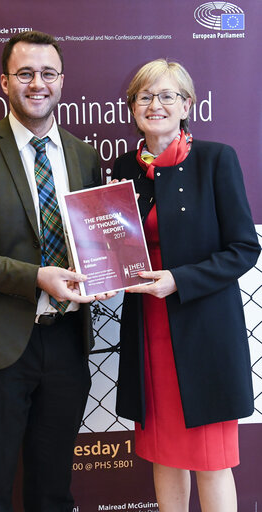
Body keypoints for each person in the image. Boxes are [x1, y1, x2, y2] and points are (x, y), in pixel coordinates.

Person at [0, 30, 112, 512]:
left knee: (52, 489)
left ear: (62, 81)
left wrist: (102, 271)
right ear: (4, 82)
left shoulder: (84, 156)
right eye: (25, 73)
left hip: (65, 343)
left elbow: (93, 243)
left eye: (48, 73)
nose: (38, 83)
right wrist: (37, 276)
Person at [112, 58, 261, 512]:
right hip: (147, 331)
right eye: (144, 96)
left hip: (204, 332)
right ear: (132, 107)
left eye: (166, 96)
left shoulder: (217, 159)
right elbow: (113, 245)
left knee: (211, 460)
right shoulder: (124, 168)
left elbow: (243, 248)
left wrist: (179, 280)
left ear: (186, 105)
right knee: (163, 454)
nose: (154, 104)